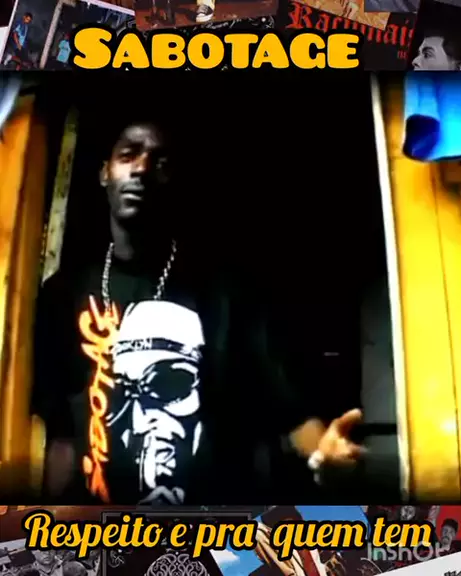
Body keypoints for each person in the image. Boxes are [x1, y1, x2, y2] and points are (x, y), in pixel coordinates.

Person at [33, 118, 366, 506]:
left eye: (159, 162)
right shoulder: (64, 294)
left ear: (173, 179)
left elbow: (291, 413)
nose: (141, 169)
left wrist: (325, 455)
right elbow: (61, 437)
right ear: (105, 172)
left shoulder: (227, 292)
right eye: (128, 155)